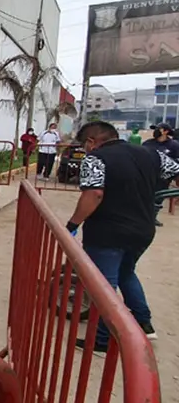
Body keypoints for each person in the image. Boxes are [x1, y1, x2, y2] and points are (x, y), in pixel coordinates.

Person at [68, 121, 179, 355]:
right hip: (143, 230)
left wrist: (73, 224)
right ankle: (143, 323)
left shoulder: (96, 159)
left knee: (103, 287)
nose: (85, 150)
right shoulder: (152, 154)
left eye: (84, 145)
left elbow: (95, 194)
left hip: (107, 233)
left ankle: (101, 341)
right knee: (126, 273)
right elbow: (175, 172)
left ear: (91, 142)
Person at [142, 123, 179, 226]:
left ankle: (153, 217)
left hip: (164, 177)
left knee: (158, 197)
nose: (156, 131)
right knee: (145, 196)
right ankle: (144, 217)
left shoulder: (174, 145)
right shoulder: (148, 143)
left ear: (166, 131)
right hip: (148, 174)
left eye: (159, 129)